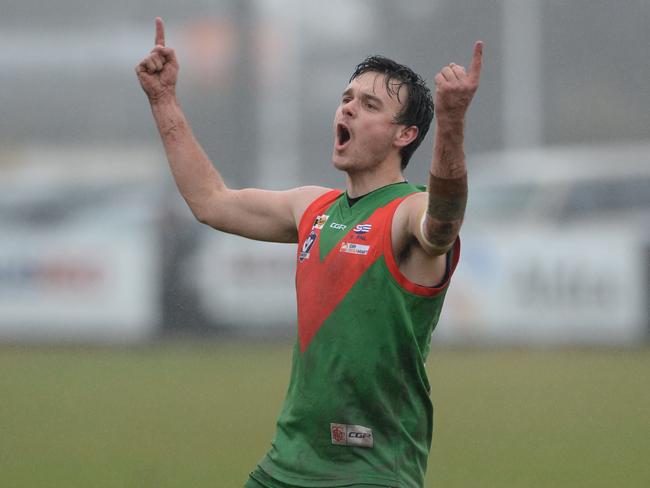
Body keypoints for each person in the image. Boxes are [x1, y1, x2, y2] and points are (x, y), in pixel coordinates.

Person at [136, 17, 482, 488]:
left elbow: (442, 224)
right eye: (346, 99)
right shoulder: (311, 208)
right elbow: (211, 201)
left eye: (369, 104)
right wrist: (163, 101)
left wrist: (453, 122)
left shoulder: (407, 210)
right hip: (285, 468)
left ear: (405, 135)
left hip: (372, 472)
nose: (348, 110)